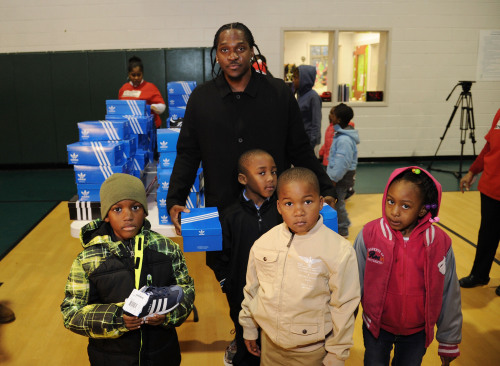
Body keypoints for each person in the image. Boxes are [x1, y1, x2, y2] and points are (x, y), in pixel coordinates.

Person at [166, 23, 336, 263]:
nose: (233, 56)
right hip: (223, 211)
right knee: (232, 287)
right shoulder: (202, 99)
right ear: (216, 54)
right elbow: (188, 155)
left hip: (274, 213)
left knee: (280, 281)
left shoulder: (278, 93)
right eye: (225, 50)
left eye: (241, 48)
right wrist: (175, 199)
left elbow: (300, 149)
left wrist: (326, 188)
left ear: (252, 51)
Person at [61, 173, 195, 366]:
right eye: (117, 209)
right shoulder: (87, 260)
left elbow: (186, 291)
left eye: (135, 207)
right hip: (110, 358)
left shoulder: (167, 249)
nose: (128, 216)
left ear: (144, 211)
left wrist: (168, 316)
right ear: (106, 216)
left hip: (162, 354)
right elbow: (71, 313)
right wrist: (117, 319)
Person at [239, 167, 360, 366]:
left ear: (321, 203)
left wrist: (337, 353)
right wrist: (250, 327)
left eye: (307, 202)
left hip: (312, 352)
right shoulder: (264, 243)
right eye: (289, 203)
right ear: (278, 207)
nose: (299, 211)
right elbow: (252, 290)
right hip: (270, 346)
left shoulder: (339, 251)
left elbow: (344, 306)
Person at [353, 167, 462, 366]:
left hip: (416, 333)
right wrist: (341, 328)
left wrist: (449, 338)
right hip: (376, 328)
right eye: (391, 201)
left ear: (422, 210)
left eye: (405, 206)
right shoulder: (370, 234)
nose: (394, 211)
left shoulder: (438, 242)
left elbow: (448, 293)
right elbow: (352, 283)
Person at [214, 149, 282, 366]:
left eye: (273, 172)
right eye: (262, 173)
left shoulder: (282, 211)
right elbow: (217, 254)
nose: (271, 178)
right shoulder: (230, 215)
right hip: (242, 296)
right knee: (247, 346)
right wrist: (228, 283)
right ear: (243, 179)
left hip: (279, 295)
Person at [458, 107, 500, 296]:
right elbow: (489, 146)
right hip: (491, 186)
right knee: (487, 234)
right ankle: (479, 275)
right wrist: (473, 171)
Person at [326, 103, 359, 237]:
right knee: (338, 202)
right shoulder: (340, 135)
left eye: (332, 114)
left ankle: (343, 228)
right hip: (339, 176)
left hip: (341, 177)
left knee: (338, 203)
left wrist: (333, 178)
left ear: (338, 119)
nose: (330, 116)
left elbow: (342, 163)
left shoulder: (344, 139)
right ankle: (344, 222)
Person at [119, 56, 166, 128]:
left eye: (139, 75)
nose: (136, 78)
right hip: (131, 126)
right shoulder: (124, 88)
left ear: (142, 74)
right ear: (129, 74)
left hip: (150, 127)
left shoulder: (150, 87)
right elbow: (120, 107)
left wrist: (150, 107)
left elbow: (162, 107)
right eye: (133, 75)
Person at [292, 65, 323, 148]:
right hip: (300, 140)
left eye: (296, 78)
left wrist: (311, 144)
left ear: (304, 79)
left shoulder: (313, 97)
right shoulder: (299, 95)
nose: (293, 81)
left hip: (309, 142)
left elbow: (316, 123)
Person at [318, 104, 356, 169]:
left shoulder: (342, 130)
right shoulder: (329, 128)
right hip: (328, 160)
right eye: (331, 113)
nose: (330, 115)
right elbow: (327, 143)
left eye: (333, 114)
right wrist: (322, 152)